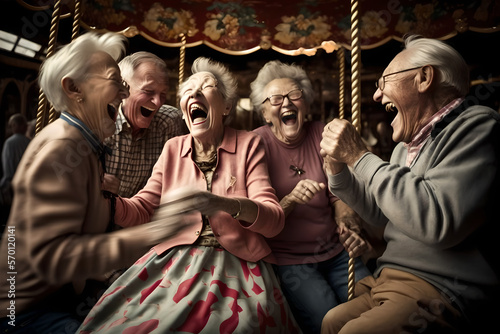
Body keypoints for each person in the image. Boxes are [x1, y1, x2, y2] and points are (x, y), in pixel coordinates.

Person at [77, 57, 301, 333]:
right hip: (173, 259)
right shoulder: (173, 147)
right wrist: (105, 198)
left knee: (235, 325)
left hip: (236, 262)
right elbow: (143, 208)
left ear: (226, 106)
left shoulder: (248, 143)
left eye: (206, 86)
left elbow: (274, 220)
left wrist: (223, 204)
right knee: (121, 322)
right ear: (183, 113)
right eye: (187, 92)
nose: (194, 93)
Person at [0, 32, 196, 333]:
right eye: (115, 82)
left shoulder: (85, 142)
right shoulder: (63, 149)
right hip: (23, 310)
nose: (122, 93)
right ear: (74, 88)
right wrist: (152, 232)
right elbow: (50, 257)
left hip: (58, 297)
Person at [320, 35, 500, 333]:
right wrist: (338, 170)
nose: (378, 96)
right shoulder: (406, 147)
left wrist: (359, 155)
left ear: (424, 77)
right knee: (331, 320)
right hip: (391, 276)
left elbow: (436, 221)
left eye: (384, 82)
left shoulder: (477, 127)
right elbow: (382, 214)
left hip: (440, 285)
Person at [250, 60, 371, 334]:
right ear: (265, 112)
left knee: (371, 308)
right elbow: (258, 216)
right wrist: (291, 199)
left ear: (305, 103)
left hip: (336, 251)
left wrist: (347, 224)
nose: (287, 104)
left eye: (295, 95)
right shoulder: (255, 145)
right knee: (327, 318)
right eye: (276, 99)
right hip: (291, 262)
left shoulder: (323, 134)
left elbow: (339, 195)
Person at [103, 51, 187, 198]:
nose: (158, 102)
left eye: (163, 94)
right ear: (122, 89)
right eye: (148, 91)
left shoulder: (168, 122)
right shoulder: (100, 120)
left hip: (140, 216)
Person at [0, 114, 31, 229]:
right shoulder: (29, 142)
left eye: (12, 125)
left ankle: (10, 243)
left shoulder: (10, 142)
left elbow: (8, 164)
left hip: (12, 183)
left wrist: (5, 182)